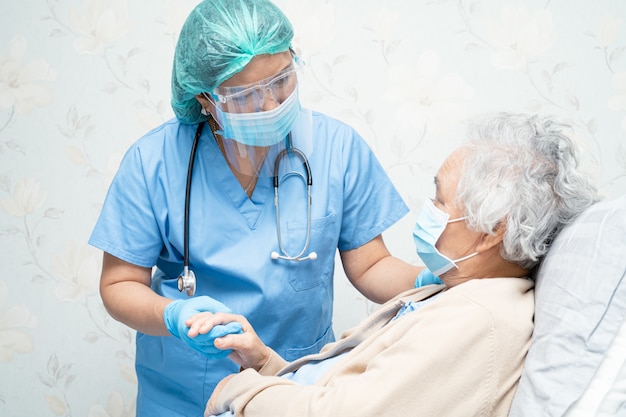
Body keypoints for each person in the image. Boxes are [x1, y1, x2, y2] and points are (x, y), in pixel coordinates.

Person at [88, 0, 428, 415]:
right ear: (206, 99)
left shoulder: (337, 148)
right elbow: (119, 284)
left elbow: (371, 265)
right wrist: (174, 315)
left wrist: (433, 279)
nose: (271, 105)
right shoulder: (153, 162)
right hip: (185, 393)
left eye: (282, 80)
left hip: (295, 384)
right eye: (248, 94)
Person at [191, 112, 599, 417]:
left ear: (493, 229)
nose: (429, 210)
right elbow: (353, 386)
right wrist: (265, 363)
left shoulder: (477, 320)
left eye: (439, 200)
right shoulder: (459, 293)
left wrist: (238, 390)